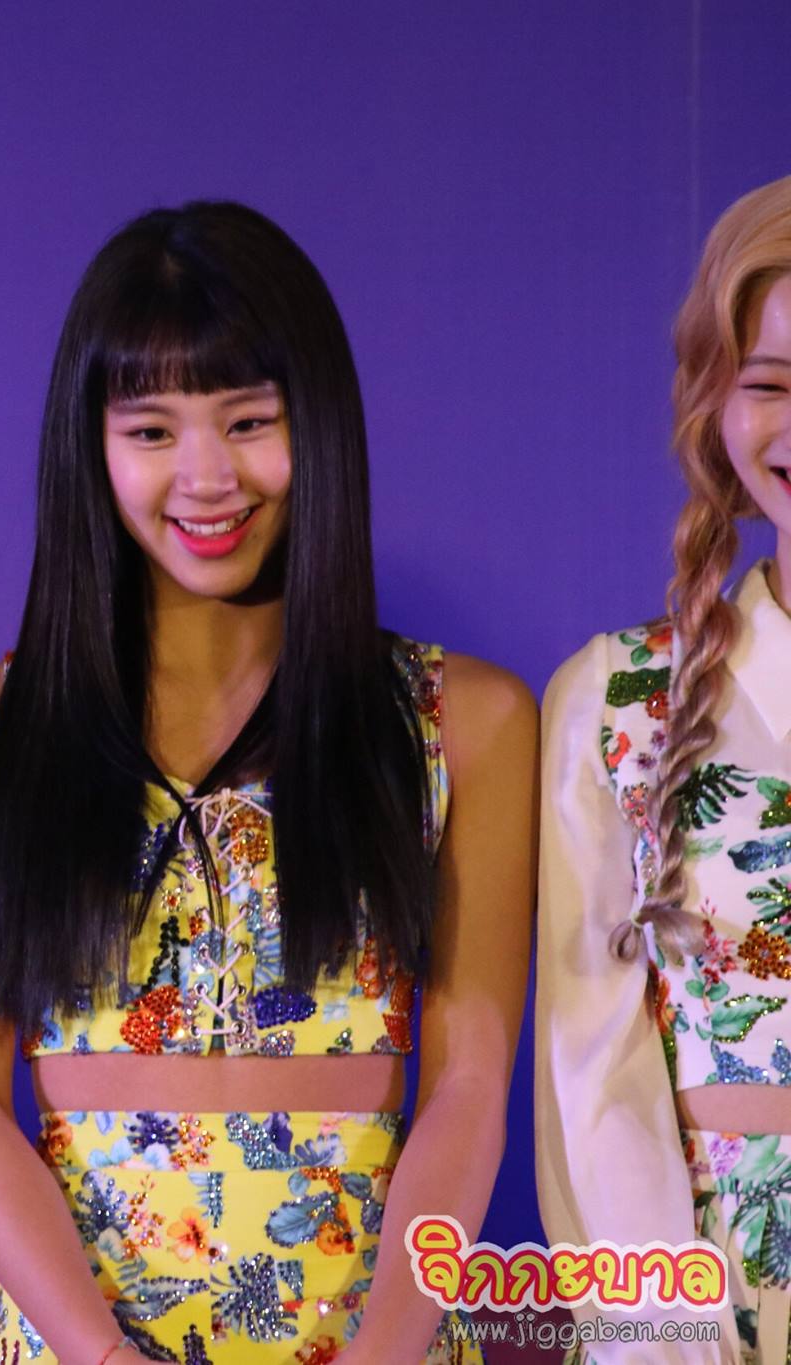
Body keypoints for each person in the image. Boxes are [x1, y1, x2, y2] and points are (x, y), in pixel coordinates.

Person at [0, 201, 534, 1363]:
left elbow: (466, 1088)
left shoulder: (465, 723)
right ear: (89, 447)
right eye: (150, 431)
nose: (204, 477)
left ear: (318, 426)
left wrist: (383, 1354)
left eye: (248, 421)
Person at [536, 175, 791, 1365]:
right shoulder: (616, 698)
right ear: (713, 400)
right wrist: (659, 1335)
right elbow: (589, 1064)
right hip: (708, 1302)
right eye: (770, 386)